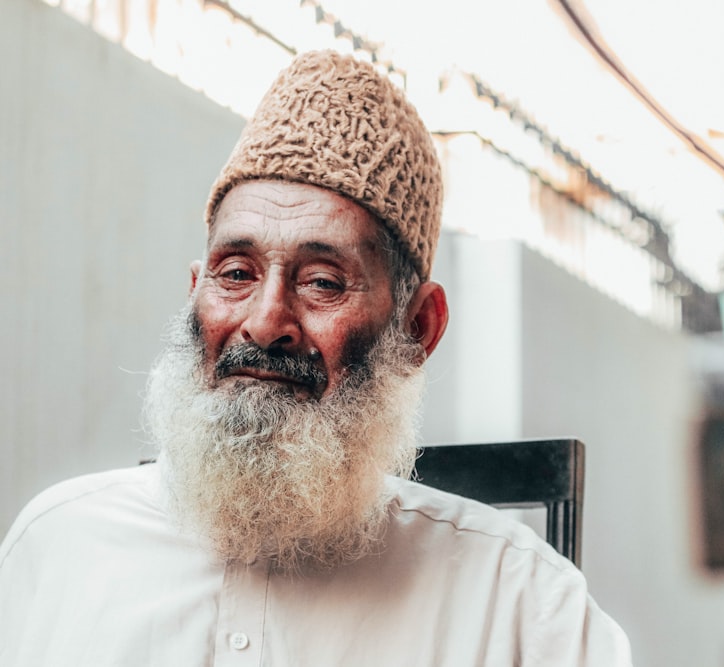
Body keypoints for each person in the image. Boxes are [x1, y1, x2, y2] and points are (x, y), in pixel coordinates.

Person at [0, 50, 631, 665]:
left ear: (417, 329)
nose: (266, 321)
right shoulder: (55, 547)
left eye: (323, 282)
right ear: (195, 293)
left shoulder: (518, 602)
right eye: (237, 272)